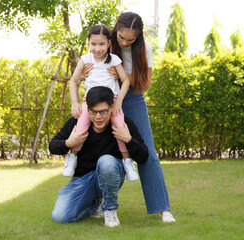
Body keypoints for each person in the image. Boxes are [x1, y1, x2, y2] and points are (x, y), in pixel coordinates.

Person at [82, 12, 176, 222]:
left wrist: (123, 75)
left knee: (148, 152)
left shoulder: (145, 49)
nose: (123, 42)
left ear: (138, 37)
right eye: (121, 37)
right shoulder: (106, 41)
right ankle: (97, 205)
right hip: (105, 97)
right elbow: (85, 67)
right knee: (99, 150)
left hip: (132, 98)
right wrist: (84, 73)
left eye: (129, 40)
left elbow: (146, 82)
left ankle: (163, 208)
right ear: (116, 30)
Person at [50, 86, 148, 227]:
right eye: (93, 112)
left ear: (112, 107)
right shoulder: (77, 122)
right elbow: (52, 146)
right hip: (82, 178)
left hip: (110, 173)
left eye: (103, 111)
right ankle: (93, 205)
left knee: (106, 161)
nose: (98, 117)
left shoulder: (123, 124)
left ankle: (110, 208)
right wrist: (69, 142)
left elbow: (144, 156)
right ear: (87, 108)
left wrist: (128, 139)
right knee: (59, 216)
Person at [64, 24, 139, 182]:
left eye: (102, 44)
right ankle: (72, 158)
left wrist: (118, 101)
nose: (97, 48)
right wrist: (75, 102)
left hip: (112, 103)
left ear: (109, 43)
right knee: (81, 128)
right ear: (88, 43)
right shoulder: (85, 60)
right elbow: (74, 81)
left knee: (120, 128)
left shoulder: (114, 60)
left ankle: (127, 162)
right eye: (93, 44)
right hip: (90, 102)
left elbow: (125, 81)